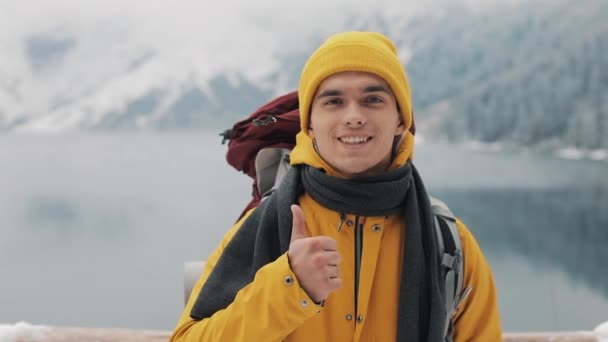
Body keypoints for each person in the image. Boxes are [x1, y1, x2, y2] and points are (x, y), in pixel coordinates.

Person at [170, 31, 502, 341]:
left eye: (373, 100)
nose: (353, 116)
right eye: (333, 101)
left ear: (401, 119)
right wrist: (289, 287)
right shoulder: (263, 225)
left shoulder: (450, 243)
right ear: (309, 124)